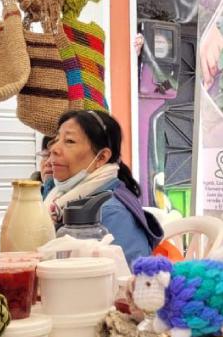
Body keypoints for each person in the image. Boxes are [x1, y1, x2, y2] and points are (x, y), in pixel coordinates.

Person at [45, 110, 163, 264]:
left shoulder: (112, 212)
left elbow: (128, 281)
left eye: (69, 141)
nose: (54, 149)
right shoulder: (57, 197)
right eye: (56, 139)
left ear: (101, 157)